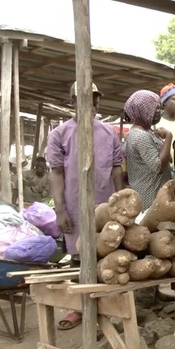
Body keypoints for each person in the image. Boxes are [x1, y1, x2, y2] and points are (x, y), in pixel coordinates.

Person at [48, 82, 123, 330]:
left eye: (94, 98)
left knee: (108, 255)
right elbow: (56, 172)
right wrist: (60, 210)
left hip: (105, 205)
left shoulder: (109, 132)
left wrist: (122, 201)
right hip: (74, 204)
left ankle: (109, 306)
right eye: (83, 98)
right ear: (72, 102)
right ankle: (78, 308)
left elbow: (116, 168)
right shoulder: (60, 134)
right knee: (79, 258)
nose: (91, 103)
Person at [123, 90, 173, 210]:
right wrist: (169, 137)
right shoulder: (140, 136)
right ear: (143, 110)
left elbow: (168, 159)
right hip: (149, 197)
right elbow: (158, 166)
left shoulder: (148, 132)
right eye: (155, 109)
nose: (158, 112)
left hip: (155, 194)